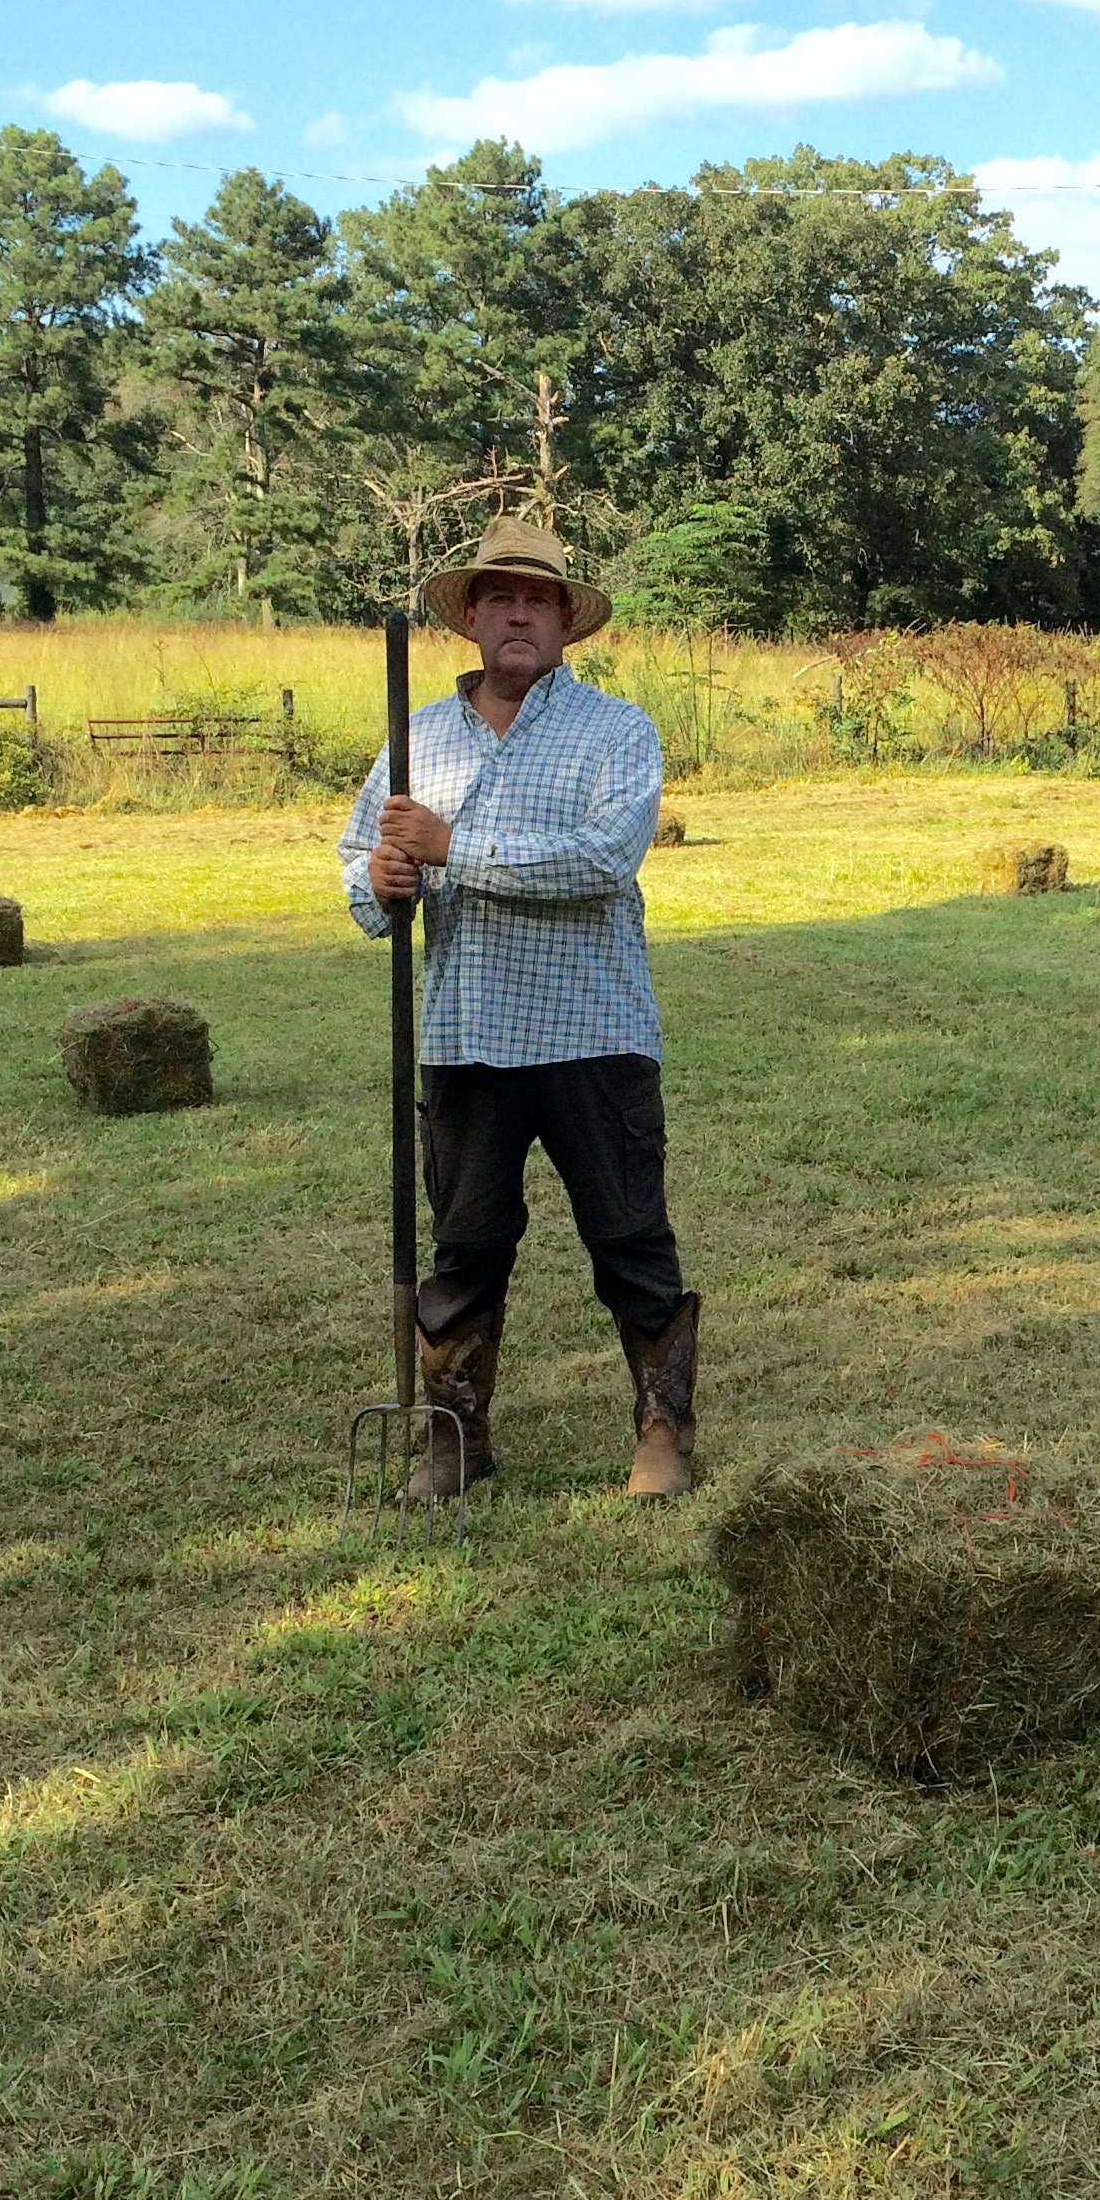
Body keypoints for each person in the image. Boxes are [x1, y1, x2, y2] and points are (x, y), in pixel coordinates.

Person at [338, 517, 699, 1501]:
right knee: (465, 1246)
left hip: (593, 1031)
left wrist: (453, 848)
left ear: (566, 623)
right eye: (499, 596)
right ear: (469, 617)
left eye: (538, 598)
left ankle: (663, 1432)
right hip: (464, 1038)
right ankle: (456, 1436)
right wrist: (380, 877)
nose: (519, 614)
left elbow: (600, 861)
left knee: (630, 1234)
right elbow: (362, 876)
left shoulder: (616, 733)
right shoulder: (415, 742)